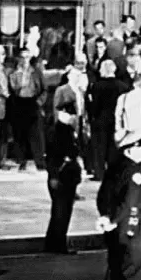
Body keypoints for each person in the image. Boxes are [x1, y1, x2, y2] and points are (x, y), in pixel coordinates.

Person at [97, 137, 141, 280]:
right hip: (130, 229)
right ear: (128, 150)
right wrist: (114, 220)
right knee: (132, 275)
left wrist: (105, 216)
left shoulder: (113, 169)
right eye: (140, 147)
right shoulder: (134, 172)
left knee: (114, 271)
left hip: (114, 230)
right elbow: (129, 202)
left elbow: (102, 196)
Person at [45, 98, 82, 254]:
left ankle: (53, 243)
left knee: (62, 212)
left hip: (68, 176)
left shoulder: (67, 130)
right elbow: (52, 157)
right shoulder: (56, 132)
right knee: (61, 212)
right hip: (61, 176)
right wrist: (53, 176)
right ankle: (57, 244)